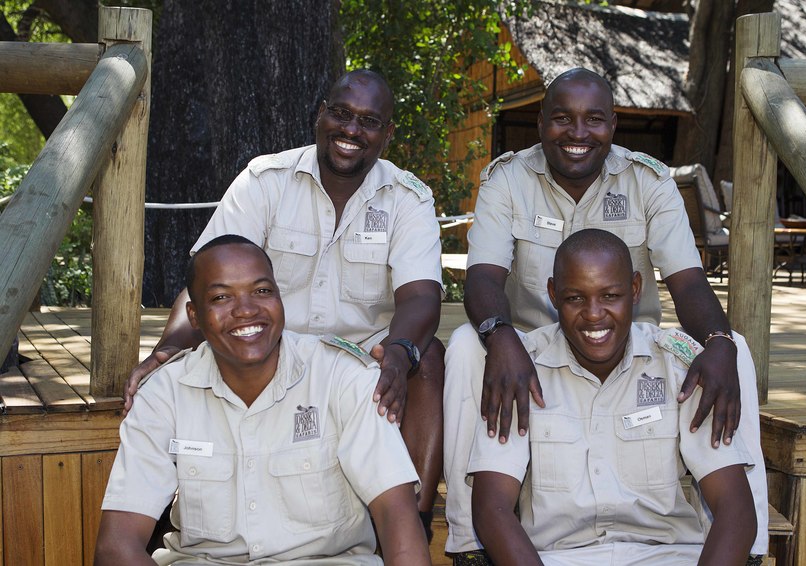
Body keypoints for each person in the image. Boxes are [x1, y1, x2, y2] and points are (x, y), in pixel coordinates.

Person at [443, 67, 767, 561]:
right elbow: (484, 278)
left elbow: (688, 283)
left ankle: (753, 545)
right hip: (532, 343)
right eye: (562, 119)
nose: (577, 133)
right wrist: (501, 337)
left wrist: (719, 343)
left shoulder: (648, 181)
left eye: (593, 120)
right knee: (468, 344)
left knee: (734, 348)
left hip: (632, 346)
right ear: (541, 124)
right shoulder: (507, 179)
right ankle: (470, 541)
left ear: (613, 125)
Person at [124, 69, 445, 535]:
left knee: (428, 356)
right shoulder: (265, 180)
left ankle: (412, 521)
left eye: (369, 121)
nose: (351, 130)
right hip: (265, 353)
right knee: (172, 375)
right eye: (341, 113)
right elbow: (205, 281)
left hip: (360, 363)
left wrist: (399, 352)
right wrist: (168, 349)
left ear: (388, 134)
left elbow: (421, 296)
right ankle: (160, 516)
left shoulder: (407, 199)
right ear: (320, 115)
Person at [95, 235, 431, 565]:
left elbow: (396, 515)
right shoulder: (163, 394)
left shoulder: (344, 378)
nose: (246, 310)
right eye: (221, 297)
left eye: (261, 291)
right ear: (194, 316)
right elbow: (117, 546)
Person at [469, 229, 758, 566]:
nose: (593, 313)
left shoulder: (680, 367)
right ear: (552, 294)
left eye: (610, 295)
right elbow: (492, 509)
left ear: (635, 290)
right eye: (575, 298)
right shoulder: (521, 372)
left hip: (668, 558)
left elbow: (735, 509)